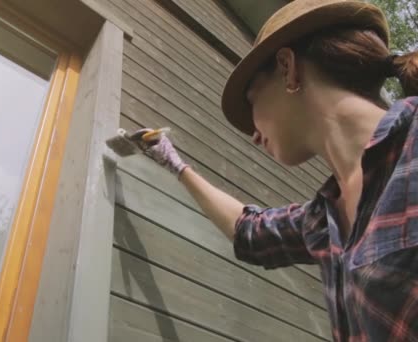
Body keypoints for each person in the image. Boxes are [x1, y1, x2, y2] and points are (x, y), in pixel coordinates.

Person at [130, 0, 418, 341]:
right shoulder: (322, 222)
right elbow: (248, 231)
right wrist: (175, 164)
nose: (252, 135)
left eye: (251, 101)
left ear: (287, 68)